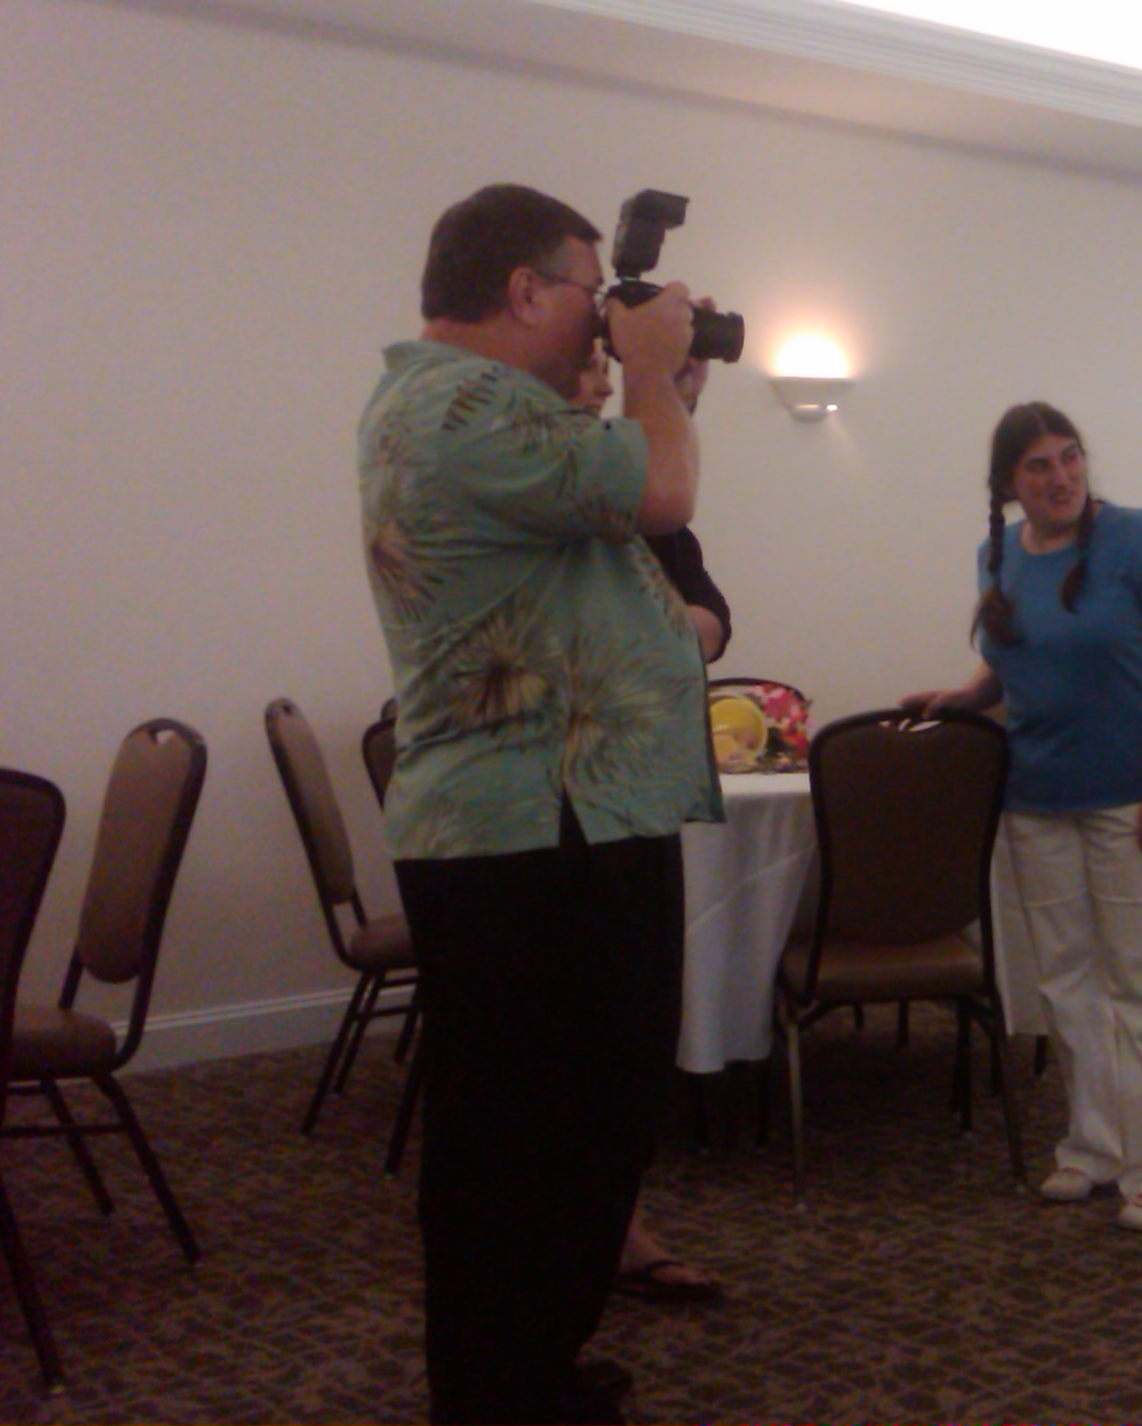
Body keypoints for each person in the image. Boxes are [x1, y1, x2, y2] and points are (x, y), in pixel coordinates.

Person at [358, 183, 719, 1422]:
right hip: (535, 826)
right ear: (523, 290)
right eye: (586, 290)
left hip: (552, 817)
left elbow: (626, 503)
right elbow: (662, 497)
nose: (599, 317)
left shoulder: (463, 406)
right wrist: (653, 374)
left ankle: (520, 1370)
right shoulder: (466, 405)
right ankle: (501, 1389)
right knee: (542, 1130)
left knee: (551, 1124)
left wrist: (663, 392)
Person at [903, 402, 1142, 1234]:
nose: (1061, 476)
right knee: (1067, 982)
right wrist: (968, 694)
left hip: (1134, 798)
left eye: (1070, 456)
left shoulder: (1136, 539)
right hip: (1037, 798)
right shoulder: (998, 553)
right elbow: (1016, 662)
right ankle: (1095, 1147)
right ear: (1009, 483)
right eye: (1039, 465)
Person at [572, 347, 725, 1306]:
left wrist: (671, 627)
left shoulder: (653, 510)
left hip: (648, 786)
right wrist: (673, 628)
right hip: (580, 794)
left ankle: (613, 1224)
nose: (604, 382)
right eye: (598, 370)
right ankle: (595, 1239)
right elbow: (645, 625)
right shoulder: (575, 489)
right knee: (591, 1036)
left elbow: (712, 616)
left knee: (636, 1025)